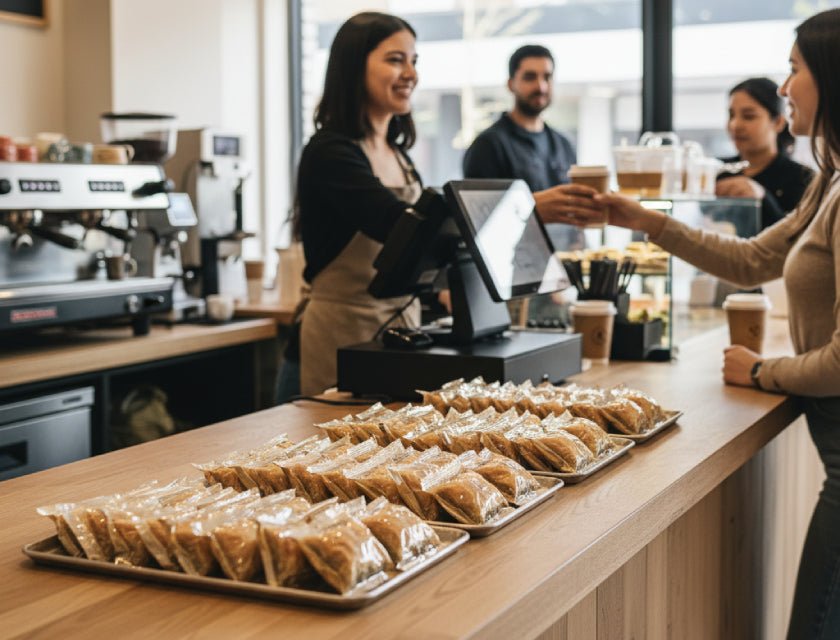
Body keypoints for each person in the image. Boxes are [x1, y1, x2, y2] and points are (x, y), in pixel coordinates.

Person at [543, 9, 840, 637]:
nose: (784, 89)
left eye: (794, 71)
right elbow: (753, 258)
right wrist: (645, 219)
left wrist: (763, 370)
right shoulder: (829, 185)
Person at [294, 13, 602, 396]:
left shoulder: (399, 155)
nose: (411, 73)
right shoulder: (330, 153)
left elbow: (426, 250)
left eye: (414, 61)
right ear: (353, 67)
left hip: (400, 333)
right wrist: (526, 205)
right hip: (341, 333)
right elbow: (401, 227)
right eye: (395, 60)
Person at [462, 45, 582, 252]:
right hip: (512, 269)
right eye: (530, 77)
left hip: (564, 266)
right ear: (511, 84)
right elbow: (479, 221)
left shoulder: (564, 144)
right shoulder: (489, 145)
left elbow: (575, 218)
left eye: (547, 77)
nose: (541, 86)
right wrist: (530, 208)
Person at [716, 76, 814, 230]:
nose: (735, 125)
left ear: (778, 122)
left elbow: (799, 240)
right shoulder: (718, 170)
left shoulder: (803, 178)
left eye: (749, 116)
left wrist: (762, 198)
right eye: (731, 115)